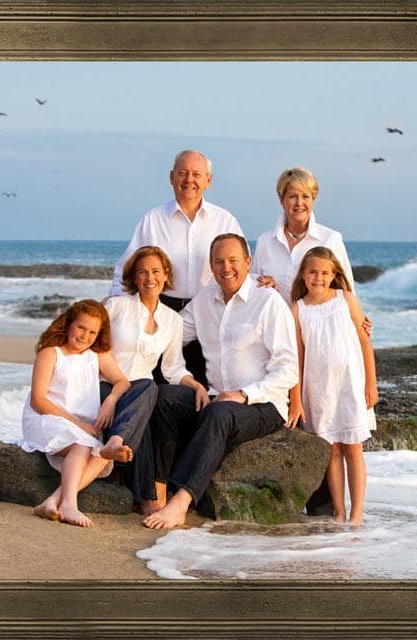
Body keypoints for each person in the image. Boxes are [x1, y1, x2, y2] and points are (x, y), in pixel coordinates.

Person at [142, 234, 299, 530]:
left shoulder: (268, 302)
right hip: (216, 396)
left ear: (248, 263)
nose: (226, 268)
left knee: (218, 413)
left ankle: (182, 501)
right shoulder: (205, 300)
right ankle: (157, 490)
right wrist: (124, 319)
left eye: (233, 261)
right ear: (211, 266)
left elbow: (288, 370)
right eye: (218, 262)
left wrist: (244, 394)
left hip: (263, 404)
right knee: (165, 398)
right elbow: (172, 333)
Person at [107, 149, 245, 384]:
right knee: (160, 382)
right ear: (172, 177)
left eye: (196, 174)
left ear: (208, 181)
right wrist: (113, 305)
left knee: (205, 383)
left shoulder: (225, 220)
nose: (189, 180)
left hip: (209, 309)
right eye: (183, 173)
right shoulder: (153, 219)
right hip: (163, 309)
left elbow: (241, 267)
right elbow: (127, 268)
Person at [17, 299, 141, 528]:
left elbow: (122, 382)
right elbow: (38, 401)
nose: (85, 336)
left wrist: (111, 400)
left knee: (101, 454)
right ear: (69, 324)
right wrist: (78, 424)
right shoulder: (50, 353)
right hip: (46, 418)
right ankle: (69, 505)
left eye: (92, 332)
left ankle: (53, 500)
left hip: (80, 427)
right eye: (81, 327)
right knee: (85, 444)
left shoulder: (96, 355)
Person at [104, 245, 208, 514]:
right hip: (107, 387)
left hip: (141, 393)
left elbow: (174, 368)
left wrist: (195, 384)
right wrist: (117, 388)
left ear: (166, 276)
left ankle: (125, 457)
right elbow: (93, 349)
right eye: (143, 272)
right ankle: (150, 497)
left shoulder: (173, 320)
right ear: (134, 277)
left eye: (155, 272)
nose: (149, 278)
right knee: (148, 392)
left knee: (149, 393)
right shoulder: (116, 306)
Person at [287, 246, 378, 526]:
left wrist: (371, 384)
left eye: (325, 273)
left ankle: (357, 513)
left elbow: (364, 342)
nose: (318, 278)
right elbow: (297, 357)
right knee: (332, 451)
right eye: (313, 272)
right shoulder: (297, 309)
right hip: (319, 389)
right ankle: (339, 511)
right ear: (303, 275)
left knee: (354, 447)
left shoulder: (345, 299)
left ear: (334, 274)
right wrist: (298, 398)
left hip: (350, 384)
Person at [252, 166, 354, 304]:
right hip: (275, 324)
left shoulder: (330, 239)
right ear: (282, 200)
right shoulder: (265, 241)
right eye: (293, 196)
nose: (299, 203)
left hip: (316, 325)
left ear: (313, 199)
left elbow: (347, 292)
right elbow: (254, 290)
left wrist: (358, 320)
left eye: (305, 196)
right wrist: (266, 287)